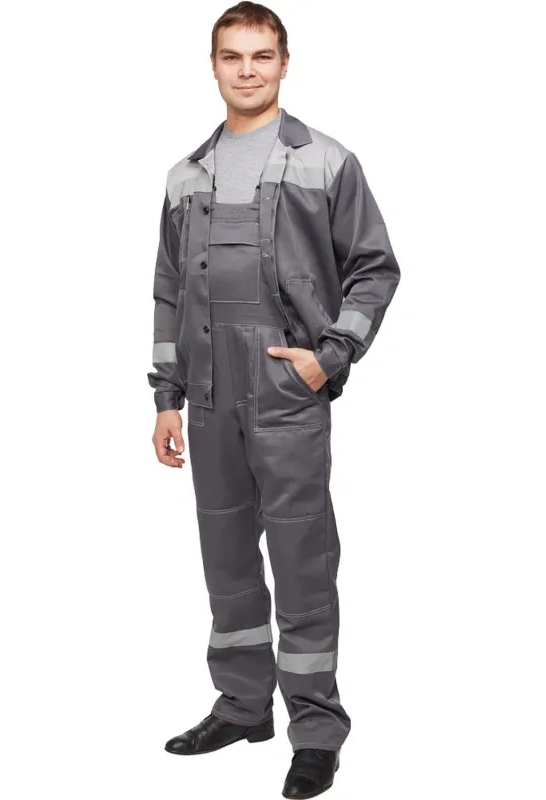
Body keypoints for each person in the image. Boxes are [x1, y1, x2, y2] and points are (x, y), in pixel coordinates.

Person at [147, 3, 400, 797]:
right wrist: (166, 396)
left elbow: (375, 269)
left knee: (300, 560)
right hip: (208, 393)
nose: (247, 70)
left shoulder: (327, 161)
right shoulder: (185, 175)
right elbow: (167, 292)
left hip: (287, 390)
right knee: (226, 558)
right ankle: (242, 706)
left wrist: (330, 358)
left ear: (285, 64)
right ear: (213, 66)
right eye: (233, 56)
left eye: (262, 56)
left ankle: (316, 730)